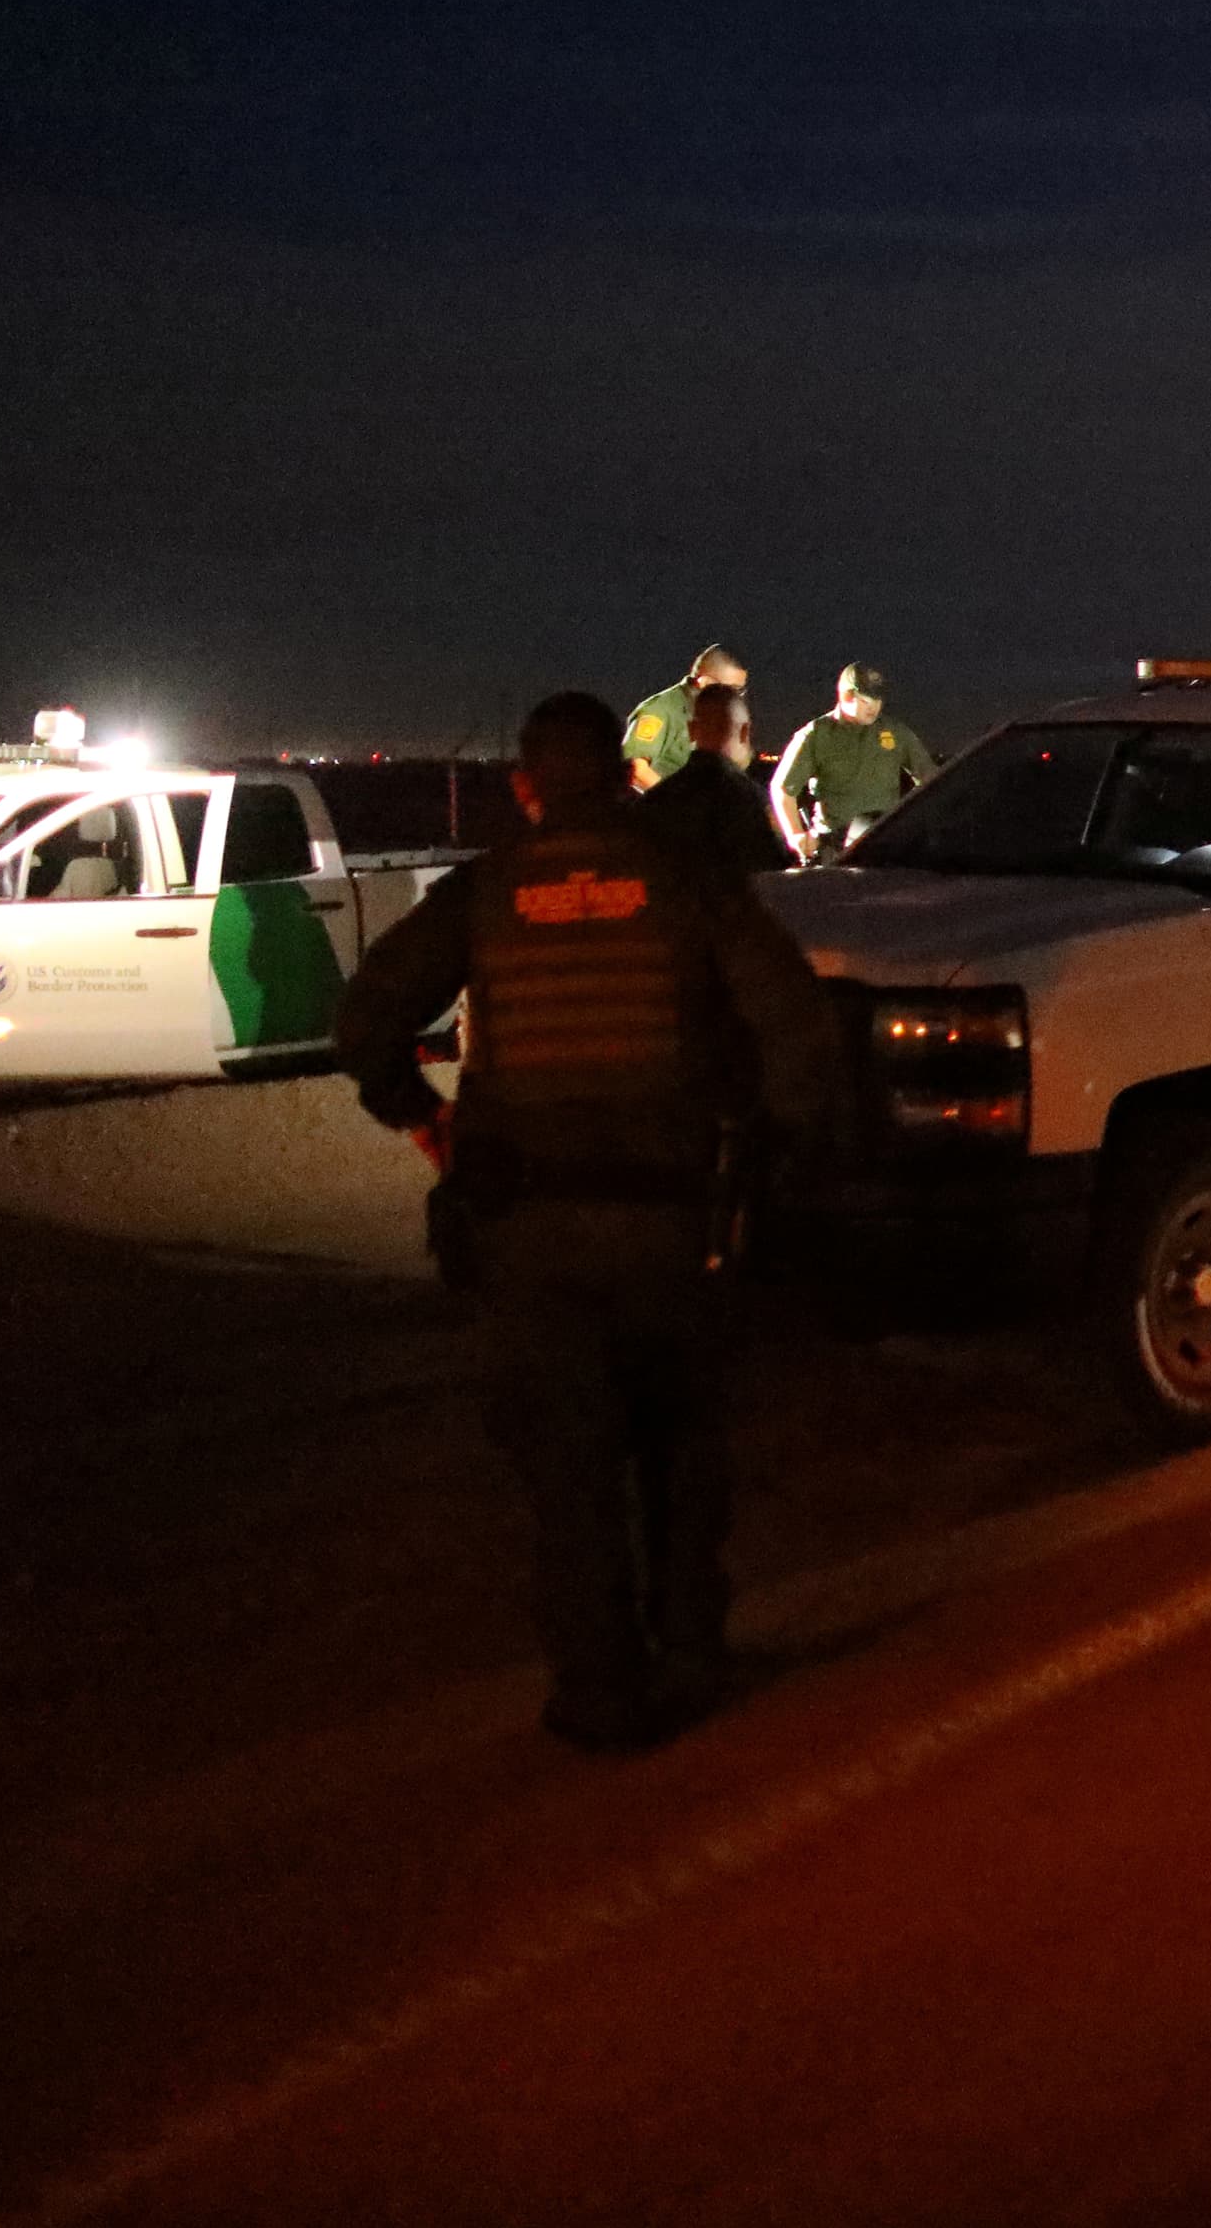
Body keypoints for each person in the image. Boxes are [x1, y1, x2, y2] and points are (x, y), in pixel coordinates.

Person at [336, 689, 847, 1751]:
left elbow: (366, 1018)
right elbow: (796, 1025)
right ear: (621, 781)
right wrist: (776, 1155)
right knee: (681, 1452)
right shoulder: (685, 880)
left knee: (569, 1473)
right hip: (669, 1229)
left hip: (527, 1235)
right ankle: (691, 1656)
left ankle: (598, 1691)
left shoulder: (486, 891)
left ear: (525, 787)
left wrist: (427, 1122)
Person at [769, 661, 937, 862]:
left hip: (884, 845)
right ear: (846, 696)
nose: (874, 707)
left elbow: (931, 780)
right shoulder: (816, 735)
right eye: (866, 700)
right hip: (836, 848)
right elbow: (782, 789)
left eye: (878, 699)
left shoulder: (896, 732)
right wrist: (795, 835)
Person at [642, 679, 786, 879]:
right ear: (745, 732)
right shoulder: (751, 801)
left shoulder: (655, 801)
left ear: (692, 730)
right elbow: (773, 870)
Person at [621, 643, 747, 792]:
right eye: (732, 689)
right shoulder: (661, 710)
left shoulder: (714, 715)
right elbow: (636, 770)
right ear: (705, 683)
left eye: (741, 690)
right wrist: (679, 800)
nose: (737, 697)